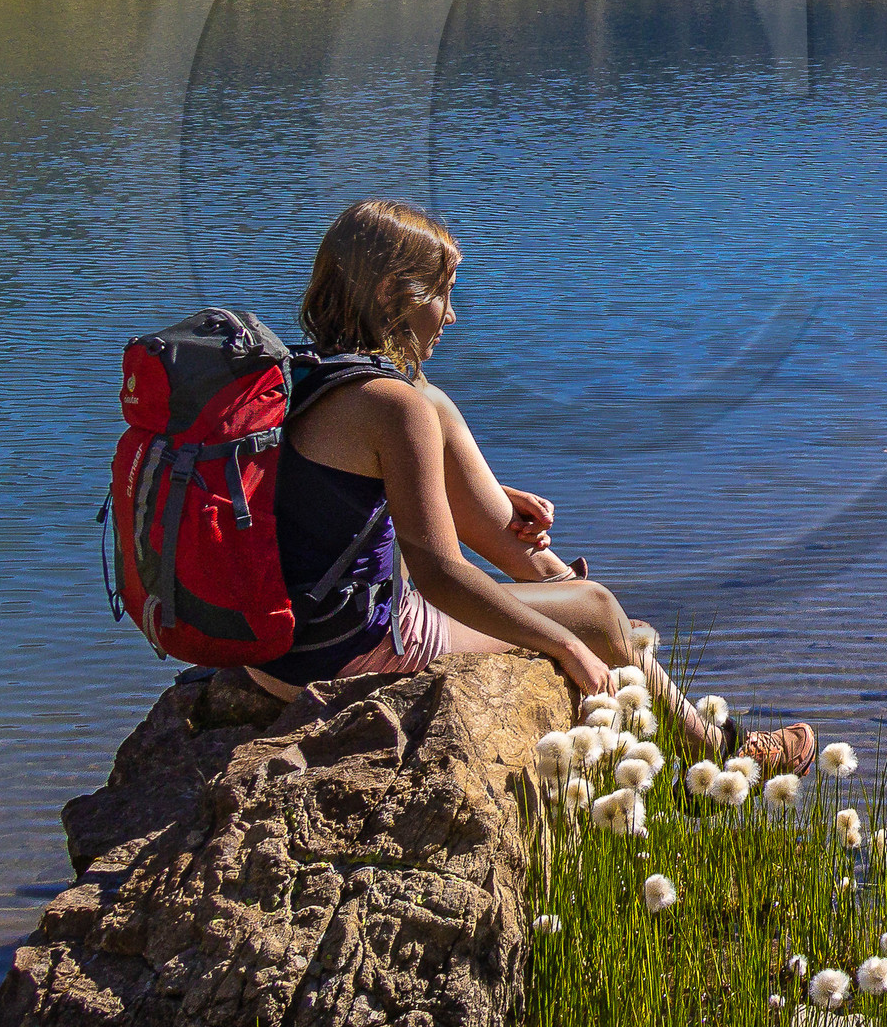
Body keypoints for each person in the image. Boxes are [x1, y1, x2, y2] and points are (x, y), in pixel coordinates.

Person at [247, 197, 814, 773]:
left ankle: (560, 590)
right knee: (598, 610)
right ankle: (717, 754)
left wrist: (480, 494)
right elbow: (440, 577)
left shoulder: (306, 375)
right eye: (443, 293)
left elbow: (338, 498)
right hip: (340, 652)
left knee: (432, 399)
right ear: (393, 293)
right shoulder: (393, 408)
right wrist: (564, 641)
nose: (450, 316)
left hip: (275, 650)